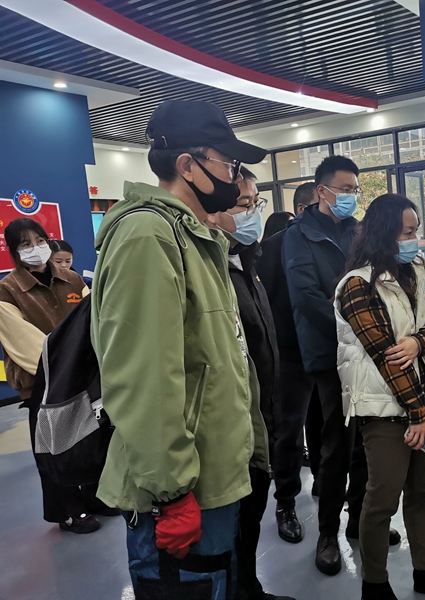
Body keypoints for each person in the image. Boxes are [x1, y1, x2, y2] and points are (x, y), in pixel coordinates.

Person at [91, 100, 270, 600]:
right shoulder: (148, 234)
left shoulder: (194, 236)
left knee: (215, 582)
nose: (236, 178)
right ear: (188, 165)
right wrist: (171, 493)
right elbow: (144, 378)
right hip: (180, 490)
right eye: (228, 164)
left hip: (212, 475)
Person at [334, 194, 425, 600]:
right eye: (408, 232)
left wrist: (417, 341)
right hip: (386, 412)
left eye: (415, 231)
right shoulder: (357, 286)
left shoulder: (414, 274)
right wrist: (416, 415)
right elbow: (386, 358)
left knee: (422, 492)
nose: (415, 239)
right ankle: (375, 584)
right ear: (385, 234)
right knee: (381, 501)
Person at [282, 156, 400, 575]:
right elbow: (306, 297)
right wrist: (355, 327)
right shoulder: (298, 236)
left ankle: (358, 520)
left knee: (368, 440)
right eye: (345, 189)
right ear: (322, 191)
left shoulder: (358, 231)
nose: (351, 196)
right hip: (328, 352)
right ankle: (328, 534)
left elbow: (374, 281)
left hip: (366, 351)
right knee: (337, 445)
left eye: (355, 189)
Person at [206, 167, 293, 600]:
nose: (253, 213)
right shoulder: (209, 272)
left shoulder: (247, 262)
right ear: (213, 211)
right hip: (232, 426)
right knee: (233, 526)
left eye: (256, 203)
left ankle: (249, 589)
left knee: (252, 517)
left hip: (262, 418)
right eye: (244, 204)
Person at [0, 219, 108, 534]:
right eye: (25, 244)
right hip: (41, 382)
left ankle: (96, 496)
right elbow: (22, 342)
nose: (35, 248)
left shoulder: (72, 279)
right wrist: (71, 361)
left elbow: (95, 321)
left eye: (40, 240)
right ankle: (67, 510)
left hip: (83, 377)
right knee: (52, 445)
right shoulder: (7, 290)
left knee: (93, 436)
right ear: (14, 251)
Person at [258, 182, 320, 544]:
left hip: (325, 351)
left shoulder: (328, 243)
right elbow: (265, 302)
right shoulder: (272, 247)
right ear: (301, 209)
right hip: (289, 354)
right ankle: (285, 503)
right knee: (290, 433)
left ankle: (325, 484)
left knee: (326, 426)